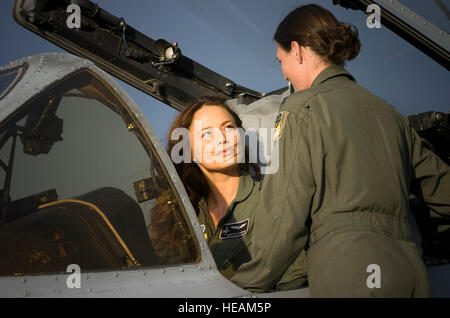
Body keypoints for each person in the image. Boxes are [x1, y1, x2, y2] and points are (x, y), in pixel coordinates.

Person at [230, 4, 450, 297]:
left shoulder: (301, 109)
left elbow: (283, 218)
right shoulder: (390, 114)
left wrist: (242, 286)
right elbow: (443, 192)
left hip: (350, 274)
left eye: (281, 60)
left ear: (297, 50)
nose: (283, 75)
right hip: (412, 274)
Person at [149, 96, 307, 289]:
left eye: (229, 128)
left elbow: (295, 280)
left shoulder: (272, 200)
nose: (222, 139)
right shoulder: (182, 215)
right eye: (207, 134)